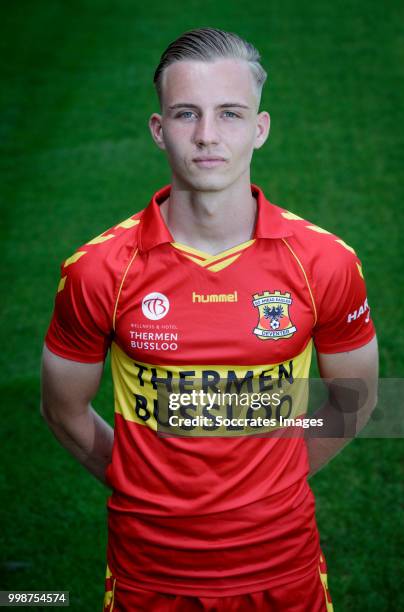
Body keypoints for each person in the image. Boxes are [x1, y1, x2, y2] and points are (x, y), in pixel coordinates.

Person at [41, 27, 378, 612]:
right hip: (149, 571)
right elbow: (62, 408)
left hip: (284, 565)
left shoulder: (325, 261)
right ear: (158, 130)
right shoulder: (99, 269)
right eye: (185, 114)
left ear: (260, 128)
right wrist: (134, 480)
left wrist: (281, 476)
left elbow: (357, 400)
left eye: (229, 113)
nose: (206, 136)